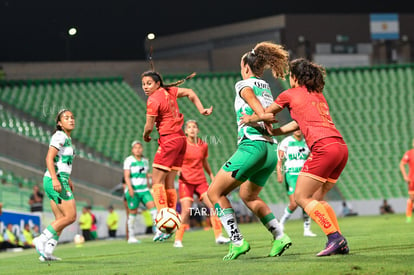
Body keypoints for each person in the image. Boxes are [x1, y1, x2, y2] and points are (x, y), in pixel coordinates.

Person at [241, 57, 349, 256]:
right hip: (340, 147)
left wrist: (250, 118)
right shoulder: (317, 95)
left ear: (295, 77)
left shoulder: (289, 94)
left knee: (300, 197)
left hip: (323, 148)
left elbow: (265, 114)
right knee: (317, 199)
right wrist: (275, 132)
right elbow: (298, 124)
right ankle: (338, 239)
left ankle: (335, 238)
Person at [207, 42, 292, 261]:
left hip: (252, 146)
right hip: (270, 150)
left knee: (214, 193)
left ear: (246, 67)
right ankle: (279, 235)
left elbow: (262, 113)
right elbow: (270, 122)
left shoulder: (243, 85)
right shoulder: (266, 87)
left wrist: (257, 117)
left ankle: (237, 242)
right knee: (248, 195)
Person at [141, 71, 213, 217]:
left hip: (169, 140)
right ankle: (172, 217)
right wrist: (201, 109)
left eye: (149, 83)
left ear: (157, 83)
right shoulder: (169, 91)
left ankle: (163, 218)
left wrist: (146, 136)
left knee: (156, 181)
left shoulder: (153, 100)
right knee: (169, 182)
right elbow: (190, 92)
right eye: (143, 84)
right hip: (181, 140)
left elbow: (149, 127)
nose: (145, 87)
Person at [173, 120, 230, 248]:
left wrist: (211, 175)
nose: (192, 129)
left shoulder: (203, 145)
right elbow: (175, 159)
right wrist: (177, 170)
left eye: (194, 127)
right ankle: (178, 239)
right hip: (186, 182)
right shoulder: (182, 145)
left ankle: (219, 236)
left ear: (198, 130)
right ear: (186, 131)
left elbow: (204, 162)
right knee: (186, 211)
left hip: (200, 181)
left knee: (213, 206)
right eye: (189, 127)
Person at [33, 109, 77, 262]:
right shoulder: (59, 136)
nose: (71, 120)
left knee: (60, 218)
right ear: (59, 123)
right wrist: (56, 179)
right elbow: (49, 158)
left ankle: (47, 251)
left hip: (59, 179)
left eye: (72, 117)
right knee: (71, 216)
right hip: (56, 180)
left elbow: (63, 162)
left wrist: (68, 180)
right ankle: (41, 239)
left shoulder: (67, 138)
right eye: (66, 118)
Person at [277, 130, 316, 237]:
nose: (297, 130)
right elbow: (279, 159)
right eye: (295, 127)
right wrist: (279, 173)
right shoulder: (287, 141)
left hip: (304, 175)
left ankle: (307, 229)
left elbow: (311, 158)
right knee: (294, 203)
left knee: (306, 201)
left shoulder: (307, 142)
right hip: (291, 174)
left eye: (299, 127)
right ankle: (281, 223)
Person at [123, 140, 164, 243]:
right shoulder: (129, 160)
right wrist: (130, 188)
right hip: (134, 190)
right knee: (133, 212)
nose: (138, 149)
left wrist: (150, 187)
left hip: (144, 190)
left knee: (154, 208)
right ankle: (131, 236)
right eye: (135, 148)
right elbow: (126, 176)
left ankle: (158, 232)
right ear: (132, 150)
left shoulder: (145, 161)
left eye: (139, 147)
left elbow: (145, 175)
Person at [400, 138, 414, 223]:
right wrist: (405, 176)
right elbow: (401, 164)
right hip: (412, 180)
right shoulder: (409, 153)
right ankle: (408, 217)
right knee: (412, 198)